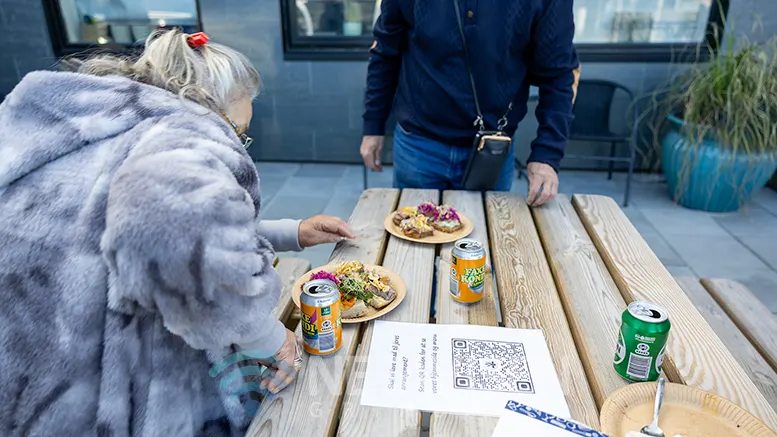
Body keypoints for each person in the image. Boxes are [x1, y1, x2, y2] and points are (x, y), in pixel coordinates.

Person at [0, 29, 354, 437]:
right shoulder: (181, 135)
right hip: (98, 396)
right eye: (238, 131)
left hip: (33, 366)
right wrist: (268, 336)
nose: (239, 143)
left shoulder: (108, 120)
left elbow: (144, 222)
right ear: (206, 105)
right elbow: (167, 228)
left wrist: (293, 232)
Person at [359, 0, 580, 205]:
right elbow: (385, 52)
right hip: (419, 145)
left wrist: (547, 155)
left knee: (485, 242)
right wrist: (373, 125)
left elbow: (558, 74)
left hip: (493, 150)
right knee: (413, 241)